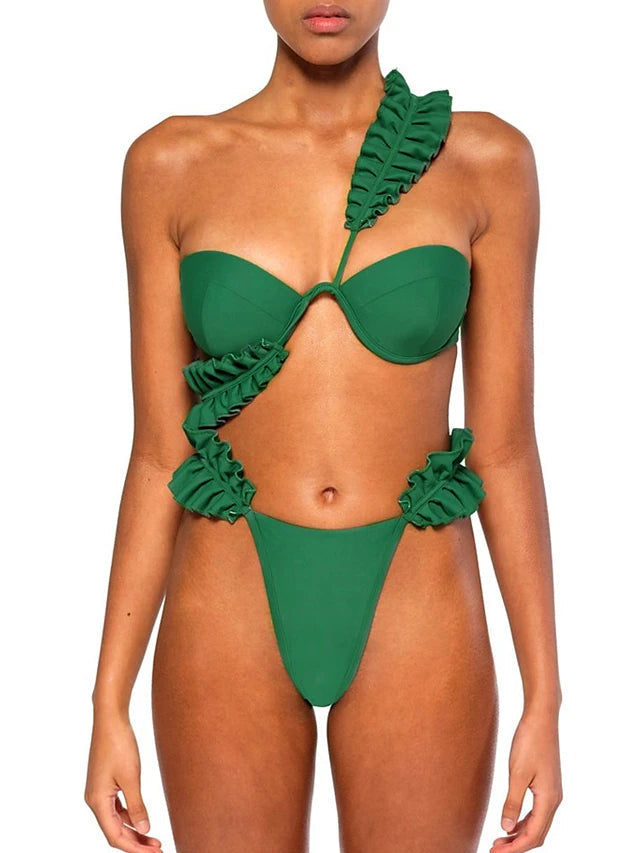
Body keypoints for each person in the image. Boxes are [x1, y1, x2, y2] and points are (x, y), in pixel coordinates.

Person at [84, 2, 563, 851]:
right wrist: (106, 703)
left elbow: (507, 450)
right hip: (225, 598)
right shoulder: (170, 164)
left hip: (419, 600)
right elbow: (160, 450)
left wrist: (545, 699)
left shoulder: (487, 162)